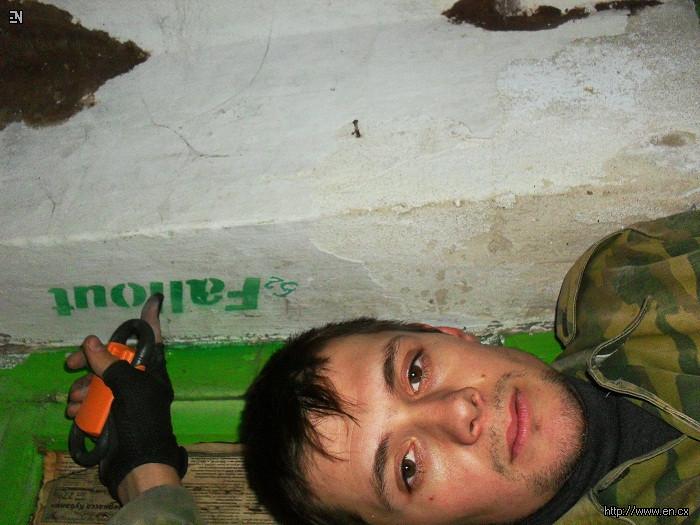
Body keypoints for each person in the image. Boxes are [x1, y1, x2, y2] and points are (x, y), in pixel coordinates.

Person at [66, 210, 700, 524]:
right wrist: (148, 481)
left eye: (416, 372)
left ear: (447, 333)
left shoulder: (631, 279)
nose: (458, 412)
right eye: (407, 468)